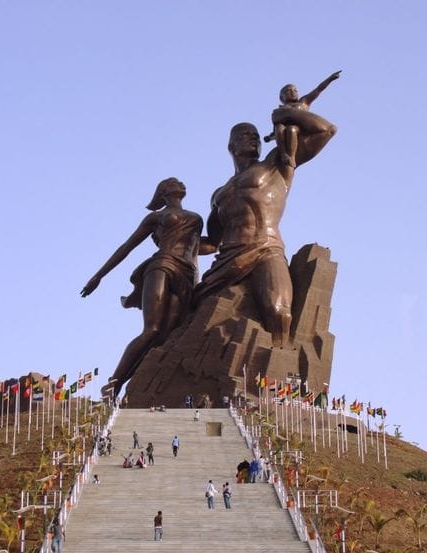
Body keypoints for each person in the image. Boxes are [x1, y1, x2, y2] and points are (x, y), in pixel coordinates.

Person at [194, 102, 337, 348]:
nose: (252, 138)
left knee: (279, 312)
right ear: (231, 146)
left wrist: (287, 113)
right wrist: (174, 244)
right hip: (227, 258)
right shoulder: (219, 194)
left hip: (265, 248)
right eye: (244, 134)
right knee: (191, 312)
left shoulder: (276, 164)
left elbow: (326, 130)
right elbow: (211, 243)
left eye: (256, 136)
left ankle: (275, 372)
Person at [81, 178, 214, 395]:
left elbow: (205, 246)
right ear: (163, 192)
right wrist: (99, 276)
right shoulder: (156, 217)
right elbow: (127, 246)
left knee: (166, 337)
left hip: (187, 275)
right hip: (162, 265)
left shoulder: (196, 218)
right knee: (151, 330)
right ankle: (113, 384)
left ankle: (141, 383)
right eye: (173, 182)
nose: (181, 183)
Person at [264, 71, 341, 168]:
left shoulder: (303, 102)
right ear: (281, 97)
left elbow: (318, 90)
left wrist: (329, 79)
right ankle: (284, 154)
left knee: (292, 129)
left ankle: (291, 157)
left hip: (300, 131)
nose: (292, 92)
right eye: (288, 91)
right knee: (280, 127)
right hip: (284, 133)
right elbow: (275, 129)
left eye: (295, 90)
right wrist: (270, 137)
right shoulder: (280, 110)